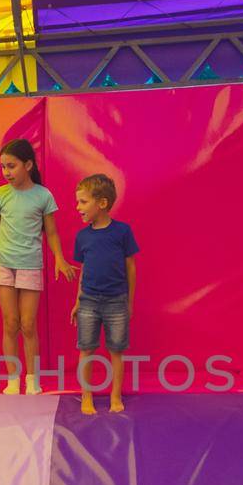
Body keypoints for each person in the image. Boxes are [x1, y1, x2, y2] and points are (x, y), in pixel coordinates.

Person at [0, 138, 73, 394]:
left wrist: (59, 258)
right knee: (10, 323)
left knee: (28, 324)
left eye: (12, 166)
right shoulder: (0, 194)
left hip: (30, 264)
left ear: (28, 165)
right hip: (4, 263)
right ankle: (12, 378)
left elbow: (51, 232)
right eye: (3, 167)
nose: (6, 172)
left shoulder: (43, 196)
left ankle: (32, 379)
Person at [71, 174, 139, 414]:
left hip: (116, 300)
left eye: (82, 202)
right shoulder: (83, 236)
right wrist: (77, 301)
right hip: (88, 299)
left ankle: (115, 395)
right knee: (86, 349)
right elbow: (84, 270)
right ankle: (86, 395)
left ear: (101, 203)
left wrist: (129, 301)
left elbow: (130, 267)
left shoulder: (122, 232)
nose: (77, 207)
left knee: (116, 350)